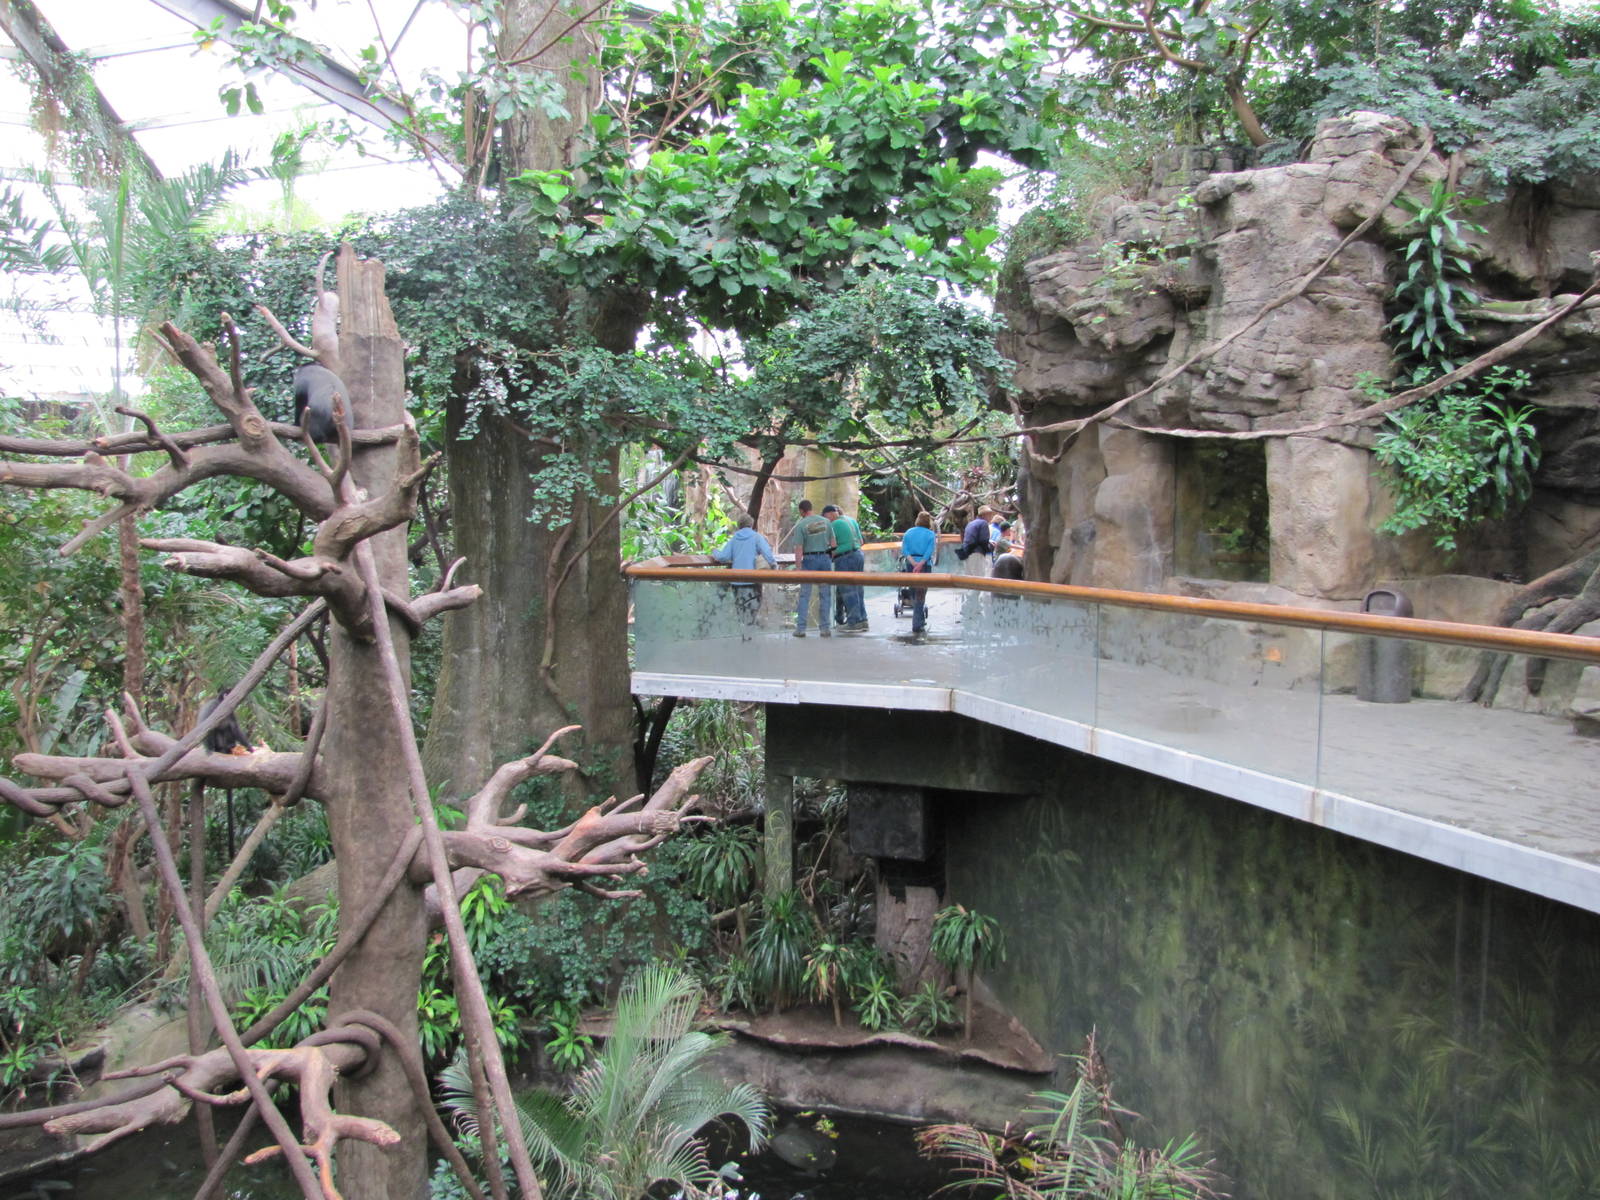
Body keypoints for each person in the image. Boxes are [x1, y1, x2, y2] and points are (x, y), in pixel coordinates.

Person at [711, 515, 776, 628]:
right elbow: (768, 554)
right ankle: (749, 633)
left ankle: (744, 632)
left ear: (739, 526)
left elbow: (723, 557)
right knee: (753, 607)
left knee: (741, 609)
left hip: (737, 581)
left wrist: (714, 551)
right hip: (753, 580)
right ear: (751, 525)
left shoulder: (734, 539)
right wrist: (774, 566)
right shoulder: (756, 537)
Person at [788, 498, 836, 637]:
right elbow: (833, 543)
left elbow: (799, 548)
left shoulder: (801, 525)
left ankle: (801, 629)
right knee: (825, 594)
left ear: (802, 511)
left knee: (805, 594)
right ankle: (825, 628)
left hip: (809, 560)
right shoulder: (826, 522)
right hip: (825, 559)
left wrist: (798, 568)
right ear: (811, 508)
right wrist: (830, 558)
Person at [824, 503, 868, 630]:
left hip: (845, 558)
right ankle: (863, 619)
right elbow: (861, 542)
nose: (826, 520)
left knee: (848, 590)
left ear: (831, 514)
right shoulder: (851, 521)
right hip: (858, 555)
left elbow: (830, 544)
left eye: (826, 516)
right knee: (858, 588)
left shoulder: (834, 524)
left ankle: (853, 621)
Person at [900, 510, 937, 635]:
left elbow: (904, 549)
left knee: (913, 591)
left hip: (910, 565)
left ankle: (919, 620)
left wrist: (913, 563)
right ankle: (917, 624)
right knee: (921, 593)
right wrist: (920, 564)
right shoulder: (931, 534)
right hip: (924, 565)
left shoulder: (908, 532)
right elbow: (929, 551)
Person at [956, 507, 994, 575]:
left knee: (969, 579)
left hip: (967, 553)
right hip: (977, 554)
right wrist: (990, 548)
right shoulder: (983, 523)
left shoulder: (970, 523)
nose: (991, 517)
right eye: (989, 515)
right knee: (978, 578)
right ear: (983, 515)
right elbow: (983, 541)